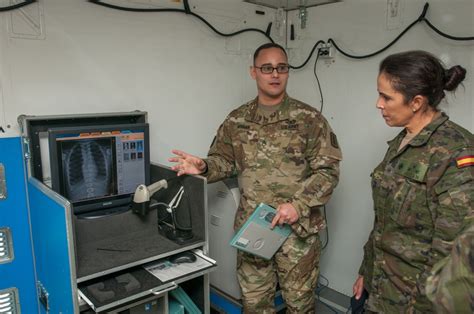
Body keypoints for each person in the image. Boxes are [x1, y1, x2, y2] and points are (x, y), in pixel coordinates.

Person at [169, 42, 342, 313]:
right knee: (254, 304)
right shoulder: (237, 120)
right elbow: (224, 161)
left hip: (297, 233)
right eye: (267, 68)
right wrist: (203, 166)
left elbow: (328, 172)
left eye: (281, 68)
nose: (275, 74)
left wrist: (297, 206)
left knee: (300, 304)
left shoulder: (310, 119)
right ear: (254, 72)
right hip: (255, 227)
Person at [352, 50, 473, 312]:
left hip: (416, 301)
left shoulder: (456, 152)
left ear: (416, 102)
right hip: (382, 288)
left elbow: (453, 251)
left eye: (386, 97)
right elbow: (383, 224)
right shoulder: (403, 141)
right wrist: (367, 272)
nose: (378, 104)